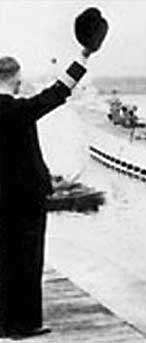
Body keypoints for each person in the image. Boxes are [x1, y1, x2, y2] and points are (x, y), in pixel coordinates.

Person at [0, 8, 106, 338]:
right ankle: (24, 324)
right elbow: (58, 92)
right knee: (28, 261)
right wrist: (84, 56)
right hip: (25, 199)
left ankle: (4, 322)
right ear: (14, 78)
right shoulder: (17, 110)